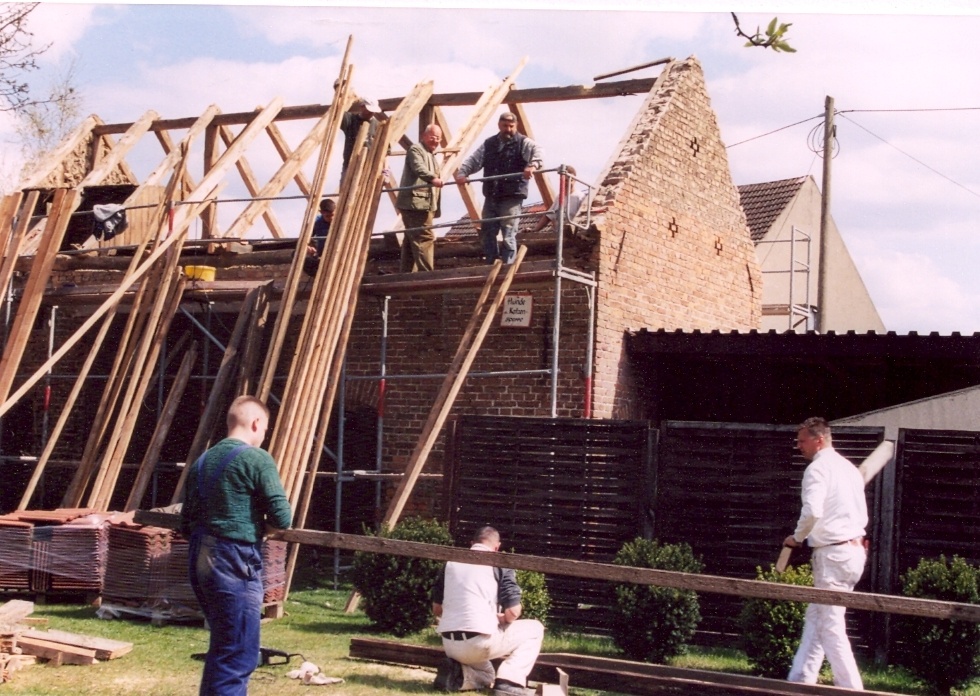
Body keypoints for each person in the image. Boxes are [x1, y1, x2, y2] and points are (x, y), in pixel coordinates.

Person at [180, 395, 292, 696]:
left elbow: (185, 522)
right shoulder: (257, 458)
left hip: (200, 559)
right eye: (265, 429)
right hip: (234, 560)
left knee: (223, 647)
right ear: (257, 423)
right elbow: (283, 517)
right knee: (239, 654)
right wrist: (262, 528)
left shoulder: (201, 463)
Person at [783, 416, 867, 691]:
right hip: (853, 552)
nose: (798, 446)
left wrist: (796, 538)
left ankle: (852, 689)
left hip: (833, 554)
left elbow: (814, 512)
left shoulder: (818, 470)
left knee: (830, 625)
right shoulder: (849, 469)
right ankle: (799, 682)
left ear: (819, 440)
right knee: (818, 618)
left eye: (802, 440)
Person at [431, 526, 544, 695]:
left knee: (488, 675)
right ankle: (509, 683)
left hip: (450, 645)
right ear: (497, 547)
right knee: (535, 628)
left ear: (472, 544)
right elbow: (513, 612)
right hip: (478, 642)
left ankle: (457, 674)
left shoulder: (449, 564)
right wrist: (502, 619)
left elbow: (437, 609)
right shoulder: (499, 563)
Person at [454, 112, 543, 264]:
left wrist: (532, 165)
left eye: (511, 126)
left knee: (508, 231)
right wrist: (463, 173)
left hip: (512, 194)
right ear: (499, 125)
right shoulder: (489, 144)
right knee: (488, 231)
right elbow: (474, 160)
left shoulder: (523, 142)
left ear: (516, 126)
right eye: (505, 126)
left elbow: (538, 152)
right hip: (492, 194)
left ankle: (508, 264)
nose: (508, 129)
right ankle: (491, 263)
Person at [396, 124, 444, 272]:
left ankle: (405, 277)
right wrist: (432, 178)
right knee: (425, 238)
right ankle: (428, 278)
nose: (435, 141)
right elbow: (419, 167)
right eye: (433, 137)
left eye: (438, 139)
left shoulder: (430, 154)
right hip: (415, 203)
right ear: (424, 136)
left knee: (411, 240)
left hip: (423, 204)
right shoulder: (416, 150)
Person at [340, 97, 386, 181]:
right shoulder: (350, 120)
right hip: (350, 165)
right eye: (368, 110)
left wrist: (385, 170)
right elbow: (337, 110)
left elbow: (385, 150)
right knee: (345, 191)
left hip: (369, 168)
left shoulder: (378, 126)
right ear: (362, 107)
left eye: (373, 111)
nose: (371, 113)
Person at [531, 165, 585, 233]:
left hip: (572, 235)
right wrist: (534, 230)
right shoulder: (559, 197)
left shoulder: (580, 197)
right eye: (563, 180)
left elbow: (582, 219)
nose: (565, 183)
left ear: (574, 180)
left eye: (568, 180)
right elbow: (548, 216)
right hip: (558, 233)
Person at [304, 198, 336, 276]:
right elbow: (307, 238)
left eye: (332, 215)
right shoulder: (316, 222)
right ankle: (319, 277)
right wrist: (308, 246)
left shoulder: (341, 220)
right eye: (327, 216)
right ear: (321, 213)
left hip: (337, 253)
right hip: (321, 254)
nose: (331, 218)